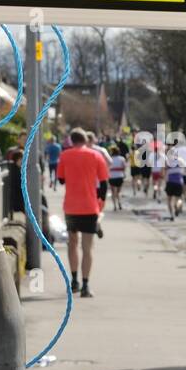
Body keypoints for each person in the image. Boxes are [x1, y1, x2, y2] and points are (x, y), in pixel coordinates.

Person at [55, 127, 109, 297]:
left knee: (72, 244)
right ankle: (86, 285)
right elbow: (104, 184)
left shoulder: (65, 155)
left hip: (71, 206)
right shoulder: (96, 156)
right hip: (89, 206)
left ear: (71, 140)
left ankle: (74, 281)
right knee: (87, 247)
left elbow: (61, 180)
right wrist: (100, 201)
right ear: (86, 140)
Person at [165, 138, 186, 220]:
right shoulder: (182, 158)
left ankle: (172, 215)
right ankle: (178, 206)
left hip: (170, 181)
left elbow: (164, 170)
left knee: (169, 200)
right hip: (180, 180)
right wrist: (181, 171)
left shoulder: (167, 160)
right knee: (180, 197)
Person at [106, 144, 127, 209]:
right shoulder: (122, 159)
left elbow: (107, 168)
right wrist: (124, 173)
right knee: (118, 192)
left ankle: (114, 205)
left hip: (111, 177)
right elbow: (124, 167)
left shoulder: (109, 159)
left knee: (113, 192)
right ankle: (119, 203)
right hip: (120, 176)